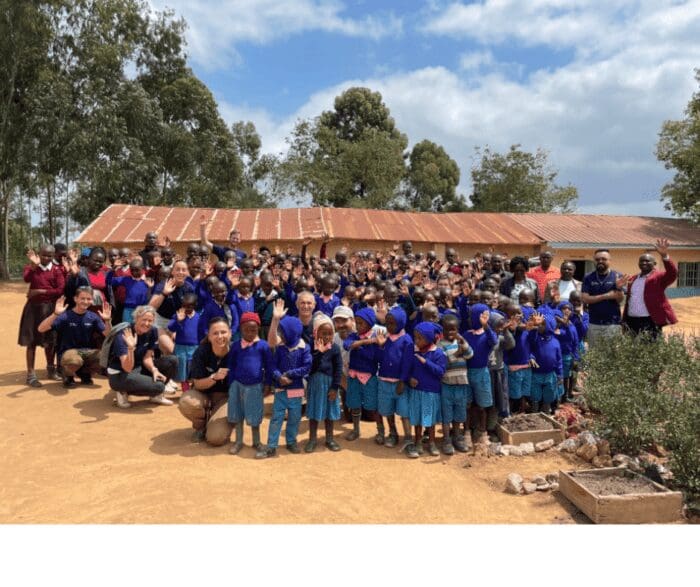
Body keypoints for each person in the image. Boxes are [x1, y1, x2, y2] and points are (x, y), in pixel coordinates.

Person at [257, 316, 312, 458]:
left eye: (283, 332)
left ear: (292, 333)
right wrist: (278, 377)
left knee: (294, 417)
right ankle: (271, 446)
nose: (280, 335)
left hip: (296, 390)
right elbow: (272, 366)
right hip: (281, 390)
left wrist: (289, 374)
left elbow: (307, 367)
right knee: (277, 418)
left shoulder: (304, 348)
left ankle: (291, 442)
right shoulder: (280, 348)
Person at [38, 287, 112, 388]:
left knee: (104, 359)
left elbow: (108, 334)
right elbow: (41, 329)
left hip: (87, 352)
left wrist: (107, 320)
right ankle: (68, 375)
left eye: (89, 299)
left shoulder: (93, 317)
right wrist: (55, 314)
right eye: (82, 298)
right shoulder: (65, 316)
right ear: (75, 299)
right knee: (74, 360)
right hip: (69, 353)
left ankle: (84, 373)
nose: (85, 301)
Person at [107, 305, 178, 408]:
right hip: (120, 374)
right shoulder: (123, 334)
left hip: (138, 367)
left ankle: (155, 396)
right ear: (136, 319)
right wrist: (130, 348)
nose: (147, 323)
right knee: (159, 386)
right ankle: (122, 391)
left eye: (150, 321)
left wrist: (154, 370)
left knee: (172, 361)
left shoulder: (153, 331)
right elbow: (127, 368)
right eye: (144, 320)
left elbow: (147, 357)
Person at [179, 317, 234, 445]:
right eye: (215, 333)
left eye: (223, 332)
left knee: (216, 438)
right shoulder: (201, 352)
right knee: (186, 401)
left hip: (226, 399)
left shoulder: (237, 352)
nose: (220, 336)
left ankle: (222, 421)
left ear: (230, 333)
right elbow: (197, 384)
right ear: (209, 336)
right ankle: (201, 426)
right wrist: (214, 377)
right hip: (204, 394)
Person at [227, 312, 273, 455]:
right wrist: (231, 383)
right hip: (237, 385)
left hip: (255, 386)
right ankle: (238, 441)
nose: (250, 333)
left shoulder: (263, 346)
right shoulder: (235, 346)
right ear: (241, 329)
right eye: (246, 330)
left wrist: (268, 384)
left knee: (254, 414)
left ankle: (257, 441)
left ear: (258, 329)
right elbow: (231, 365)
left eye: (253, 330)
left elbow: (269, 366)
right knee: (238, 413)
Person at [19, 246, 65, 386]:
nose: (46, 258)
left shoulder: (56, 271)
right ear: (39, 254)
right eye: (43, 255)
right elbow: (26, 279)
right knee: (31, 342)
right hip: (33, 309)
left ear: (53, 256)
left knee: (50, 341)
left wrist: (40, 291)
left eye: (49, 255)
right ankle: (31, 375)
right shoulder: (31, 268)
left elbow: (60, 290)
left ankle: (51, 370)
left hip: (50, 309)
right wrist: (33, 266)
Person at [405, 321, 448, 458]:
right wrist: (409, 379)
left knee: (430, 420)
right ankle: (418, 441)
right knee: (417, 419)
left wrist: (426, 362)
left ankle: (431, 442)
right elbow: (408, 369)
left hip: (431, 392)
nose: (416, 341)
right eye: (415, 337)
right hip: (417, 391)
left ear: (429, 338)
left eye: (420, 338)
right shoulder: (414, 351)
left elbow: (440, 372)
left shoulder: (438, 354)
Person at [622, 238, 678, 339]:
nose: (644, 263)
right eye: (641, 261)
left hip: (650, 321)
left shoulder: (659, 277)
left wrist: (664, 256)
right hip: (631, 321)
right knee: (631, 347)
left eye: (647, 261)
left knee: (650, 347)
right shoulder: (633, 279)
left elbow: (672, 274)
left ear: (654, 264)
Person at [375, 306, 414, 450]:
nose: (389, 326)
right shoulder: (386, 339)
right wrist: (380, 346)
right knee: (387, 410)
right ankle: (393, 433)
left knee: (404, 411)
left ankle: (408, 438)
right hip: (384, 381)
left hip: (399, 383)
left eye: (392, 324)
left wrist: (403, 381)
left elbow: (407, 363)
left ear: (401, 323)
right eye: (387, 323)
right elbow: (380, 359)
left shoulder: (407, 340)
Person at [305, 312, 343, 452]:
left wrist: (335, 388)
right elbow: (310, 367)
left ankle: (329, 439)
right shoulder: (311, 347)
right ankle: (312, 439)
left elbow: (338, 369)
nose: (327, 336)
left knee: (329, 413)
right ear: (315, 332)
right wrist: (319, 353)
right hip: (315, 385)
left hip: (329, 385)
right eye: (323, 333)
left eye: (330, 333)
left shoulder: (335, 348)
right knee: (314, 412)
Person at [342, 307, 382, 442]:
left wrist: (361, 347)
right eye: (356, 322)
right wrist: (366, 342)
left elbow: (373, 357)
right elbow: (347, 345)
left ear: (370, 324)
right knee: (354, 403)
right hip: (354, 376)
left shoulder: (377, 339)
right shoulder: (354, 336)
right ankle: (356, 430)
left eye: (361, 323)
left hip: (370, 378)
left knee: (373, 405)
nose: (357, 326)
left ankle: (380, 432)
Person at [438, 314, 473, 455]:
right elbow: (443, 364)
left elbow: (470, 355)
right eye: (447, 329)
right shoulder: (440, 345)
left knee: (459, 413)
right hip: (447, 384)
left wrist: (463, 343)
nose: (451, 332)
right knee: (447, 414)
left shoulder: (461, 342)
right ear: (443, 330)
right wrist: (457, 354)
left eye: (453, 329)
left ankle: (457, 438)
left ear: (458, 329)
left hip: (462, 384)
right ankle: (446, 440)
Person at [464, 303, 497, 443]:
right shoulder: (467, 334)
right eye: (481, 316)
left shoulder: (488, 334)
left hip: (482, 373)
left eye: (487, 316)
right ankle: (467, 432)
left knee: (482, 405)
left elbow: (494, 342)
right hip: (466, 373)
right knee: (467, 404)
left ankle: (482, 432)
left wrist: (486, 326)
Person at [149, 259, 195, 357]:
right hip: (160, 323)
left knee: (169, 354)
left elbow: (190, 310)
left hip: (178, 321)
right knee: (172, 350)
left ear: (187, 272)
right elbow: (151, 307)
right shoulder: (163, 285)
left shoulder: (189, 288)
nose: (180, 272)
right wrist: (164, 293)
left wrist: (177, 326)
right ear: (172, 271)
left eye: (184, 270)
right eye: (177, 269)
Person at [581, 249, 624, 347]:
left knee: (612, 353)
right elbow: (585, 299)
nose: (600, 261)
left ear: (610, 260)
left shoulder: (617, 276)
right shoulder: (588, 277)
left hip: (613, 324)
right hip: (594, 323)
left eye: (604, 259)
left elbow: (619, 299)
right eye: (597, 259)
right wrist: (607, 296)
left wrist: (619, 288)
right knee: (595, 353)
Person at [528, 313, 563, 414]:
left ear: (550, 326)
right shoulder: (536, 338)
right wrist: (531, 357)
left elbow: (559, 360)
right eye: (539, 324)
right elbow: (531, 346)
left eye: (543, 324)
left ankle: (546, 411)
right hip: (536, 373)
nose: (540, 326)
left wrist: (560, 375)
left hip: (550, 374)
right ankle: (534, 412)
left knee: (549, 393)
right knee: (535, 394)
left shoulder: (555, 342)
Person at [166, 293, 200, 391]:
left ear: (195, 305)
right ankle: (185, 388)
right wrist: (178, 320)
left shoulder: (199, 317)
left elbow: (203, 331)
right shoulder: (178, 316)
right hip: (180, 347)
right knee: (182, 368)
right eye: (184, 306)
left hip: (195, 347)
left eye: (189, 306)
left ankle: (194, 388)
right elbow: (170, 327)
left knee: (193, 367)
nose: (186, 309)